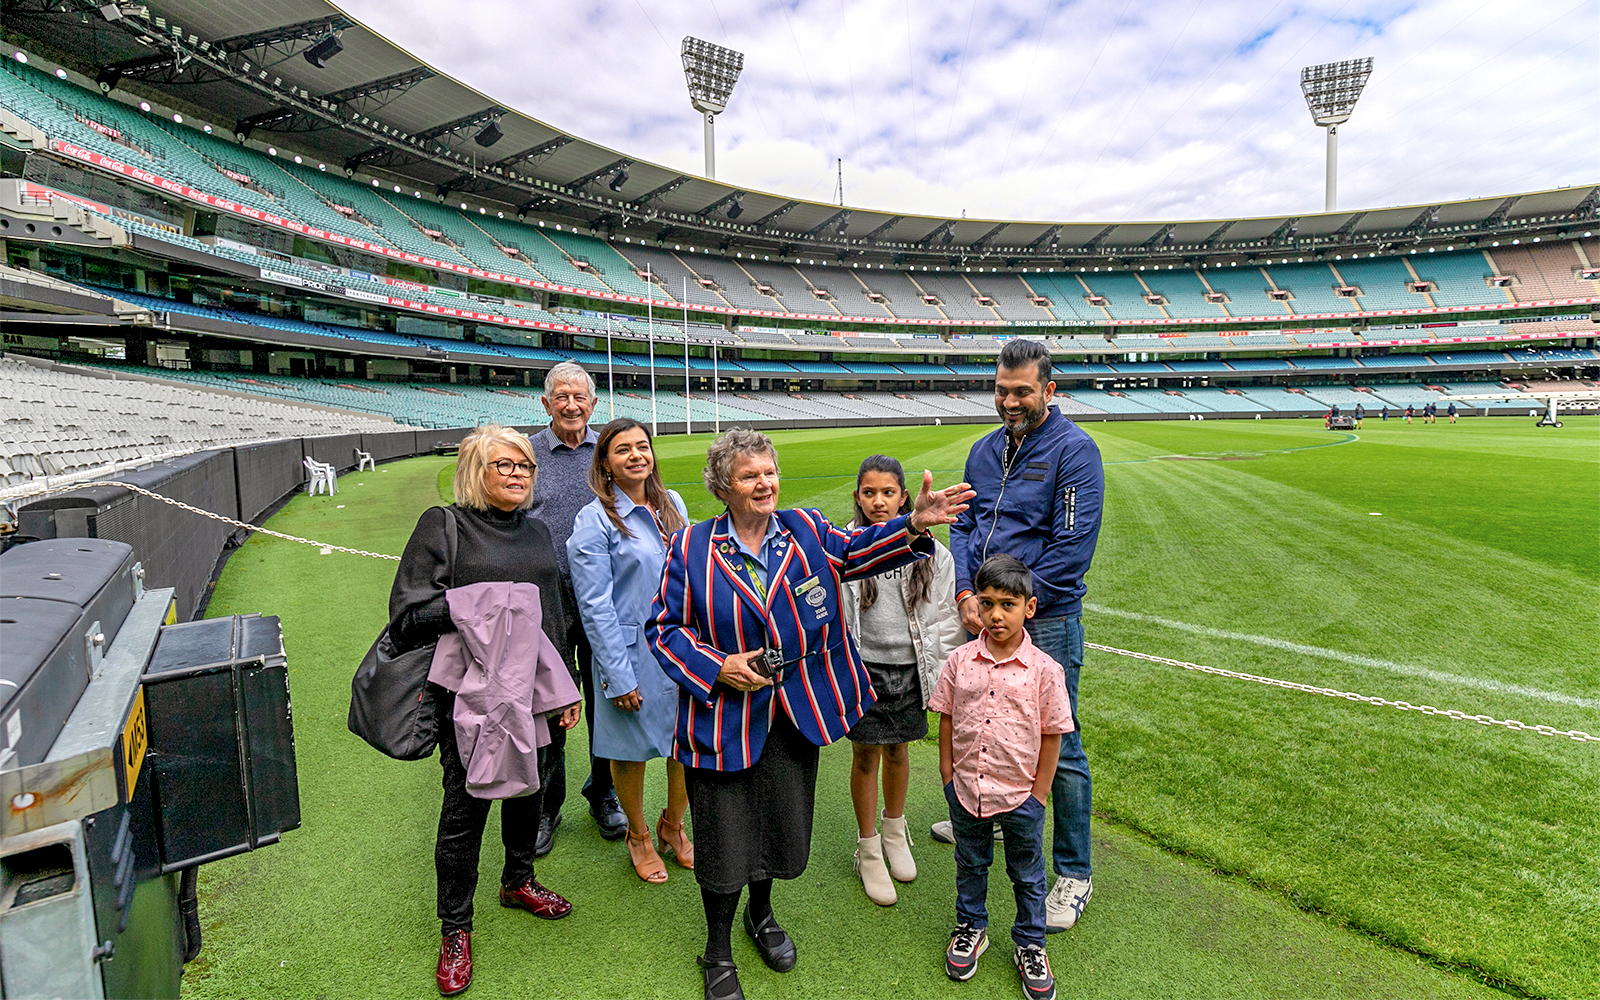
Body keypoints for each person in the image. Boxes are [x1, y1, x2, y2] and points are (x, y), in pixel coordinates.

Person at [649, 428, 973, 1000]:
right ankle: (717, 949)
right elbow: (664, 630)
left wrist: (914, 525)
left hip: (792, 714)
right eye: (750, 475)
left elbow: (857, 553)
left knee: (777, 824)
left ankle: (762, 917)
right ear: (724, 485)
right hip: (722, 722)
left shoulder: (804, 529)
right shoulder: (691, 546)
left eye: (769, 472)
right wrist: (719, 664)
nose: (764, 483)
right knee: (724, 835)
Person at [388, 425, 580, 996]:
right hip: (468, 695)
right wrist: (488, 606)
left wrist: (564, 687)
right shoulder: (443, 525)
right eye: (506, 465)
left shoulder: (540, 531)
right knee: (466, 806)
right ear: (477, 470)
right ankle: (456, 928)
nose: (520, 474)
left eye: (525, 466)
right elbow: (407, 616)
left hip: (536, 690)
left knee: (531, 790)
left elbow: (552, 615)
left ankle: (518, 879)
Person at [946, 338, 1103, 935]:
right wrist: (969, 596)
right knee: (977, 720)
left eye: (1022, 391)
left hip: (1048, 620)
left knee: (1058, 744)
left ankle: (1074, 872)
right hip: (984, 617)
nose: (1009, 401)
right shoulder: (983, 452)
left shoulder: (1074, 452)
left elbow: (1071, 549)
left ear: (1048, 391)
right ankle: (984, 808)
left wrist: (1011, 607)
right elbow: (964, 527)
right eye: (1002, 390)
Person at [934, 555, 1073, 1000]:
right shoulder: (960, 660)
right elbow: (948, 717)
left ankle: (1030, 944)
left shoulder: (1046, 671)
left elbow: (1053, 734)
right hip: (967, 790)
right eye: (988, 602)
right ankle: (971, 927)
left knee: (1028, 875)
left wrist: (1040, 794)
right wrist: (947, 776)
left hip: (1020, 797)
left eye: (1008, 604)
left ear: (1029, 608)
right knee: (970, 862)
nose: (996, 615)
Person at [567, 419, 694, 885]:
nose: (637, 455)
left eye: (643, 446)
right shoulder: (594, 518)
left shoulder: (672, 504)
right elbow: (593, 604)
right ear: (605, 462)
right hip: (629, 652)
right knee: (631, 752)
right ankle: (638, 836)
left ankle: (673, 827)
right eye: (623, 450)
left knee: (684, 743)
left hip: (680, 648)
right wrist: (617, 675)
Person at [840, 455, 963, 907]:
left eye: (888, 493)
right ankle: (868, 846)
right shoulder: (847, 546)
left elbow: (947, 619)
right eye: (869, 493)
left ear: (905, 497)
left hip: (910, 671)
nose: (878, 501)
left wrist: (945, 678)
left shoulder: (934, 552)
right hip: (864, 669)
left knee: (899, 751)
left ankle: (895, 829)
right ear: (857, 497)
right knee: (866, 757)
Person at [527, 361, 628, 850]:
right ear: (547, 404)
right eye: (561, 397)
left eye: (580, 397)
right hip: (545, 602)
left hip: (601, 598)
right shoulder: (527, 454)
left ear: (593, 403)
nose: (571, 405)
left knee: (605, 699)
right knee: (550, 704)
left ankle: (603, 791)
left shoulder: (607, 452)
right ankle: (547, 806)